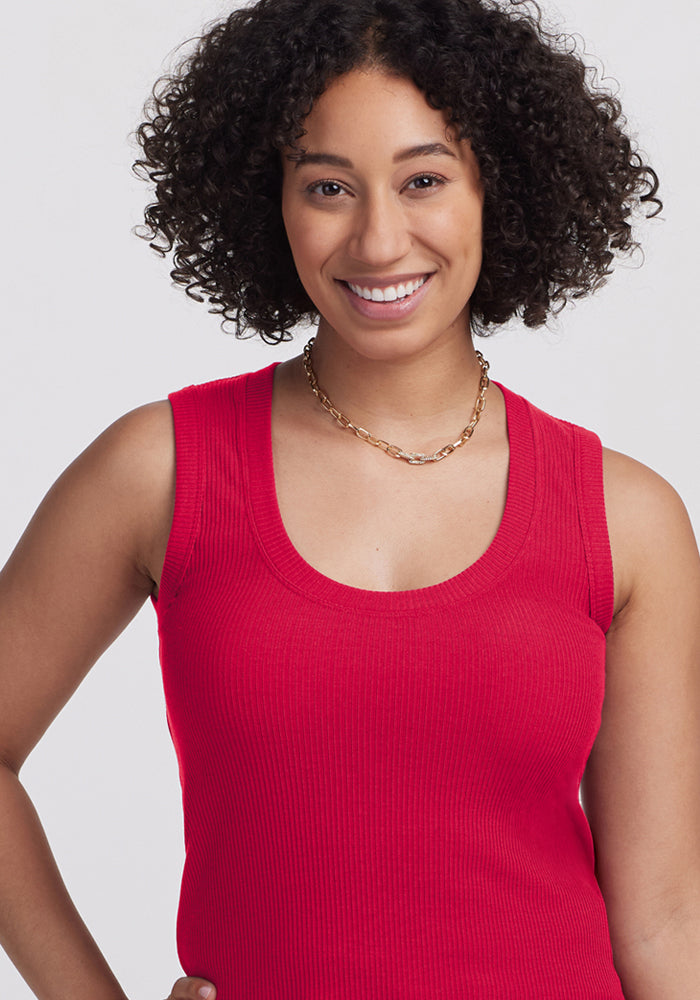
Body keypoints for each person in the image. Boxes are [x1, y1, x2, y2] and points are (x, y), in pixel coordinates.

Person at [1, 0, 698, 998]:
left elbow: (668, 914)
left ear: (494, 187)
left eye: (423, 180)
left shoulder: (624, 518)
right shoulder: (161, 469)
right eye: (327, 186)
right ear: (266, 200)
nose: (377, 239)